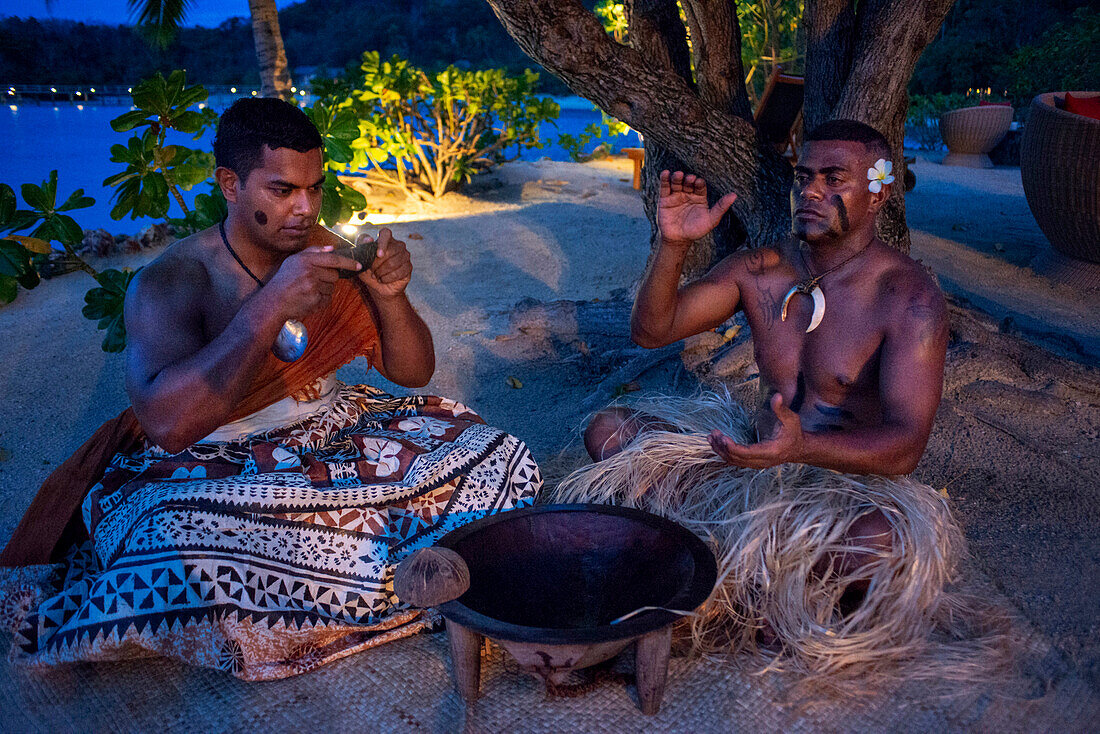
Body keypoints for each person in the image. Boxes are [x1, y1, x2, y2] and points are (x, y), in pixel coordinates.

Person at [1, 98, 541, 680]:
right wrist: (269, 306)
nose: (305, 209)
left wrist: (391, 295)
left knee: (500, 456)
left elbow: (413, 373)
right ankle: (409, 574)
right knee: (175, 542)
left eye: (313, 188)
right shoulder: (169, 282)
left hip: (339, 432)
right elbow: (167, 427)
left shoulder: (327, 249)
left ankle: (361, 584)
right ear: (230, 184)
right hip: (217, 461)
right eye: (282, 190)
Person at [557, 120, 969, 680]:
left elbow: (904, 448)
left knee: (882, 541)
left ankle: (738, 574)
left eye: (833, 178)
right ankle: (756, 579)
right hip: (749, 461)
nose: (812, 192)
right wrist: (674, 246)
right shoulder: (763, 270)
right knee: (609, 431)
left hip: (841, 484)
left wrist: (801, 448)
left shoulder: (908, 298)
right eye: (805, 178)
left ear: (879, 192)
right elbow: (653, 331)